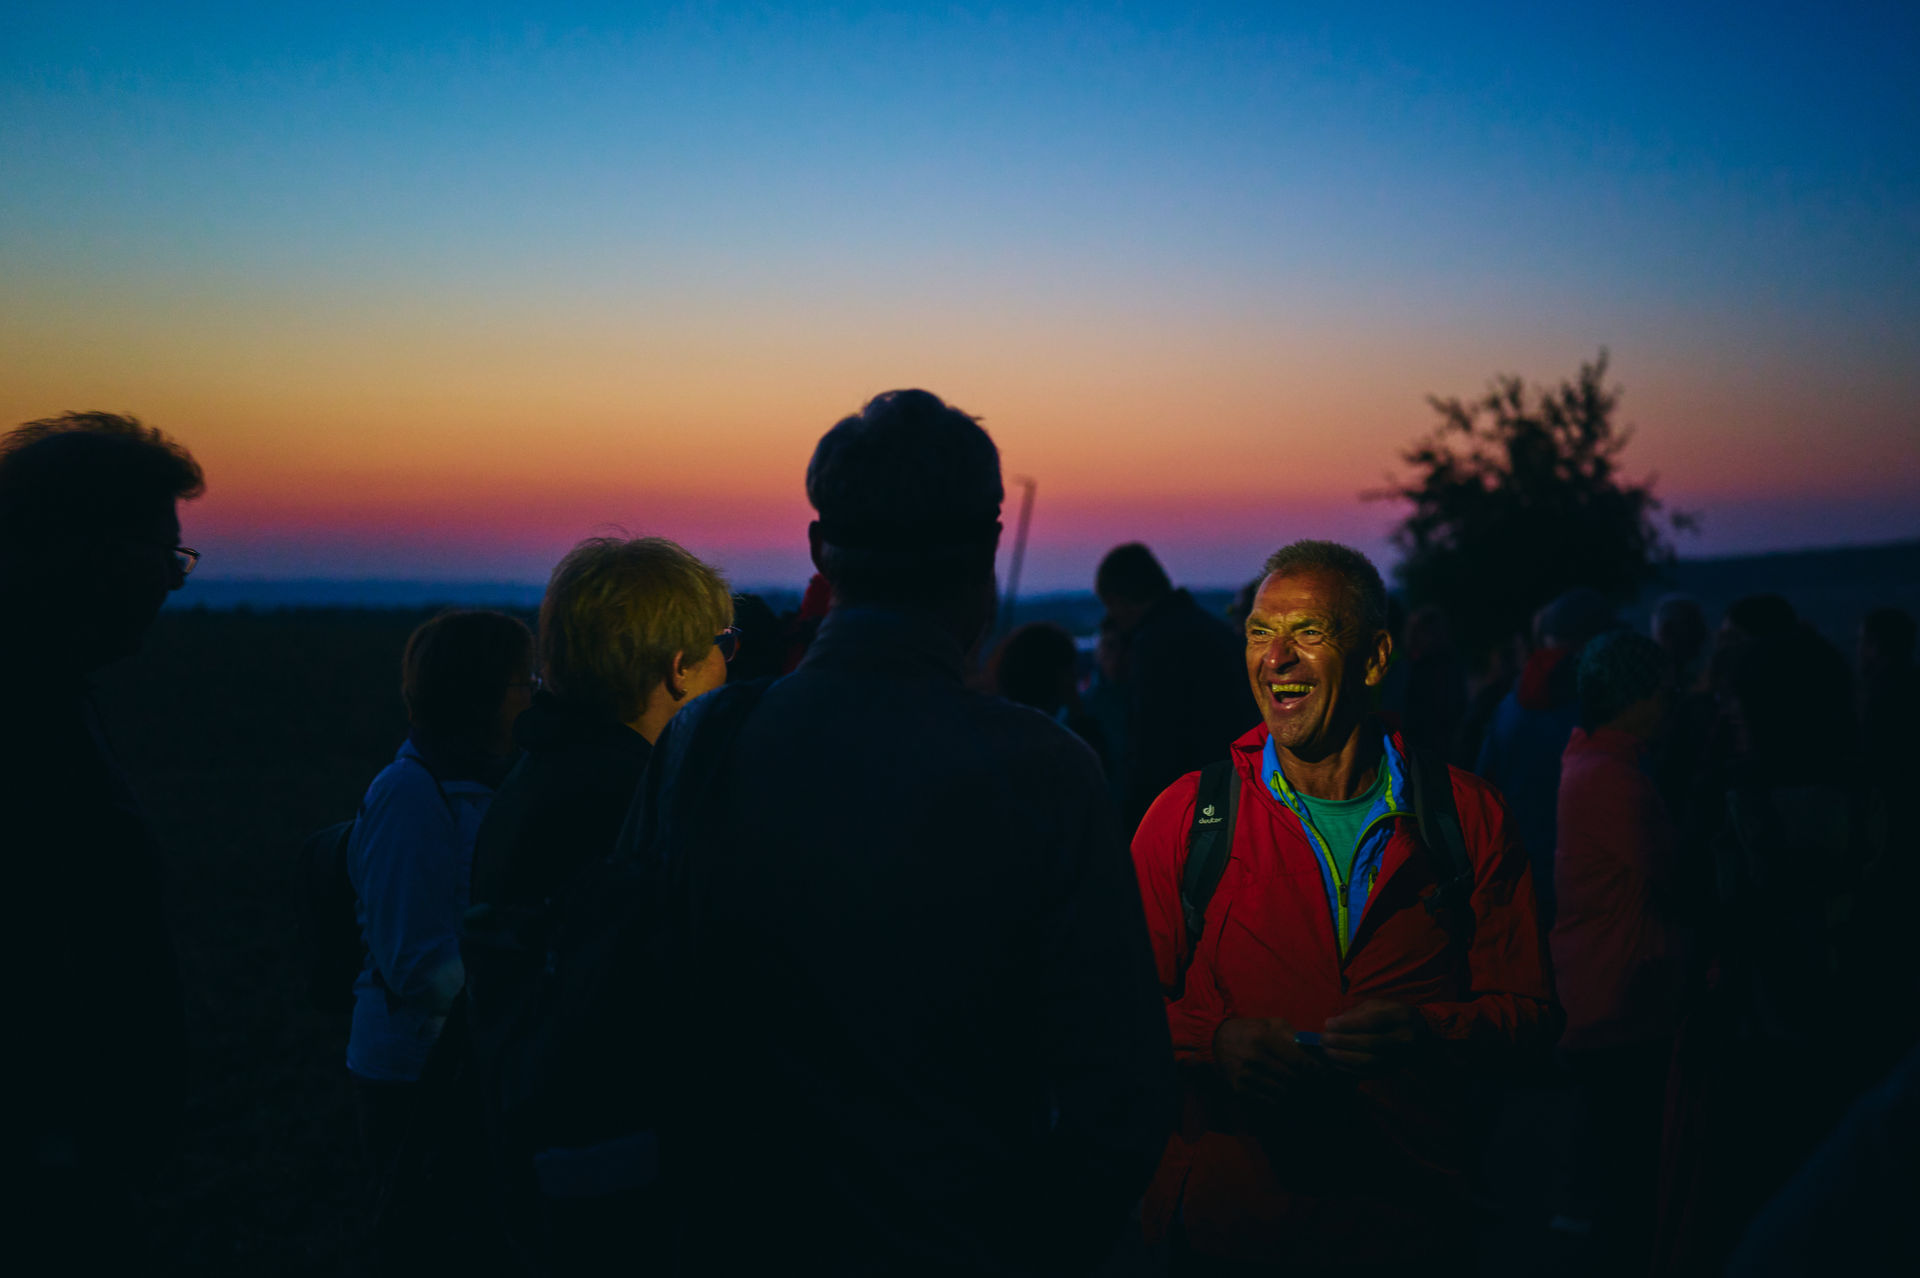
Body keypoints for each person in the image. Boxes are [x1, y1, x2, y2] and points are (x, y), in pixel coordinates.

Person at [627, 389, 1174, 1274]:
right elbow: (1123, 1102)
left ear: (819, 551)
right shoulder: (1045, 773)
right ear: (989, 552)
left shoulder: (705, 741)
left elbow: (643, 1015)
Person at [1131, 539, 1554, 1274]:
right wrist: (1215, 1042)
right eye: (1261, 633)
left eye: (1309, 633)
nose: (1276, 658)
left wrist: (1429, 1033)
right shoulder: (1187, 817)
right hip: (1229, 1232)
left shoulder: (1466, 816)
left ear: (1375, 656)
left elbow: (1531, 1014)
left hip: (1410, 1228)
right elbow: (1110, 1009)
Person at [1, 411, 203, 1267]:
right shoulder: (25, 716)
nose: (174, 582)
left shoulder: (54, 694)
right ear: (88, 551)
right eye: (164, 555)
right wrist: (55, 1144)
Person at [346, 610, 533, 1170]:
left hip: (459, 1059)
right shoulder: (410, 794)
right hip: (414, 1072)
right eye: (526, 683)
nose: (536, 697)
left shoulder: (477, 785)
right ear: (482, 695)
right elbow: (417, 964)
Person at [469, 538, 733, 912]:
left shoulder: (534, 772)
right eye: (723, 643)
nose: (728, 663)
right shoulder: (638, 811)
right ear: (679, 668)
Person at [1550, 630, 1684, 1272]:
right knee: (1626, 1180)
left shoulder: (1589, 761)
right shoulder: (1615, 779)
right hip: (1622, 1001)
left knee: (1608, 1171)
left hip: (1598, 988)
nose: (1670, 704)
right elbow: (1678, 878)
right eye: (1662, 692)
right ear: (1635, 696)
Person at [1476, 586, 1617, 930]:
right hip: (1588, 879)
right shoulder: (1599, 708)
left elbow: (1481, 786)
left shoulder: (1509, 705)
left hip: (1519, 870)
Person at [1097, 541, 1258, 832]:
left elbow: (1152, 748)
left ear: (1118, 600)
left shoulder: (1154, 647)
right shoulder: (1212, 631)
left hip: (1187, 815)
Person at [990, 620, 1111, 773]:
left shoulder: (992, 740)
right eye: (1072, 671)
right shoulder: (1070, 749)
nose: (1075, 677)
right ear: (1063, 677)